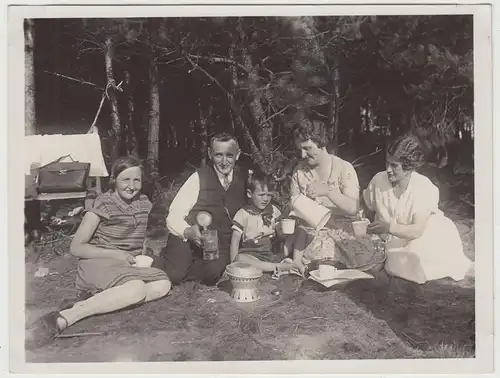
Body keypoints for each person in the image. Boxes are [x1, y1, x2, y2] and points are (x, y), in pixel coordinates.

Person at [35, 156, 171, 342]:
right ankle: (67, 317)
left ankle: (94, 298)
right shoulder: (103, 204)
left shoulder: (144, 203)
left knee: (163, 285)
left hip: (124, 265)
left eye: (136, 180)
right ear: (114, 180)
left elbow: (137, 234)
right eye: (125, 179)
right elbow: (76, 247)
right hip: (97, 262)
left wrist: (140, 255)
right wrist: (116, 254)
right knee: (137, 290)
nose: (131, 186)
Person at [362, 134, 473, 284]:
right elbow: (367, 205)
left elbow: (417, 230)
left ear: (409, 167)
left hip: (425, 235)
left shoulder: (423, 187)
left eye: (394, 166)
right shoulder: (378, 180)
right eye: (387, 163)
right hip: (390, 237)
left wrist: (388, 227)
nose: (388, 170)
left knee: (412, 261)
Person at [154, 132, 247, 285]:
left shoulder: (244, 177)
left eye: (229, 155)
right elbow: (174, 215)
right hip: (187, 239)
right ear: (210, 154)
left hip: (218, 245)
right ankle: (162, 261)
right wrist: (187, 231)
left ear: (237, 155)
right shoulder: (198, 177)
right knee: (174, 275)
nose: (224, 162)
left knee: (214, 273)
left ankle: (185, 265)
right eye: (218, 155)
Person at [285, 124, 361, 274]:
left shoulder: (343, 168)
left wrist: (328, 191)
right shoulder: (299, 172)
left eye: (307, 148)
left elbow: (353, 208)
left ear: (322, 143)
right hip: (313, 233)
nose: (302, 155)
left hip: (343, 231)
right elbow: (296, 210)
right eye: (299, 149)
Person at [230, 170, 295, 273]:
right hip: (252, 253)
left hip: (271, 250)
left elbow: (281, 235)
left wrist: (284, 229)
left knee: (294, 235)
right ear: (249, 194)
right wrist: (233, 264)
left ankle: (276, 264)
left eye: (269, 195)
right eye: (261, 195)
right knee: (241, 258)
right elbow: (235, 241)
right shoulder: (243, 213)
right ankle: (277, 267)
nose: (265, 199)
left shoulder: (273, 210)